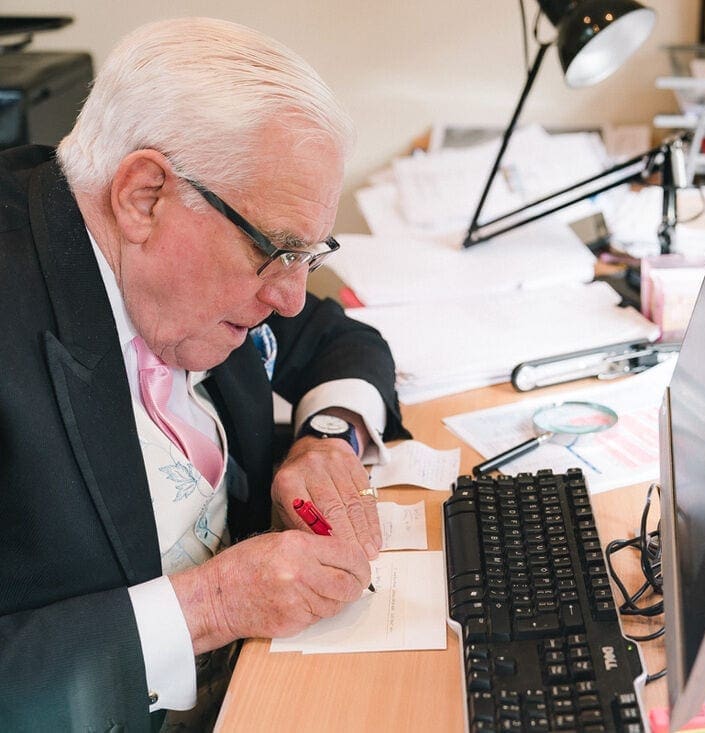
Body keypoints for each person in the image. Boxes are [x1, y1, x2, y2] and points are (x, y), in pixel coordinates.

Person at [0, 17, 409, 729]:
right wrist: (211, 606)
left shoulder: (190, 268)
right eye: (276, 249)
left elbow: (336, 338)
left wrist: (325, 441)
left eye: (307, 254)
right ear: (144, 196)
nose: (287, 294)